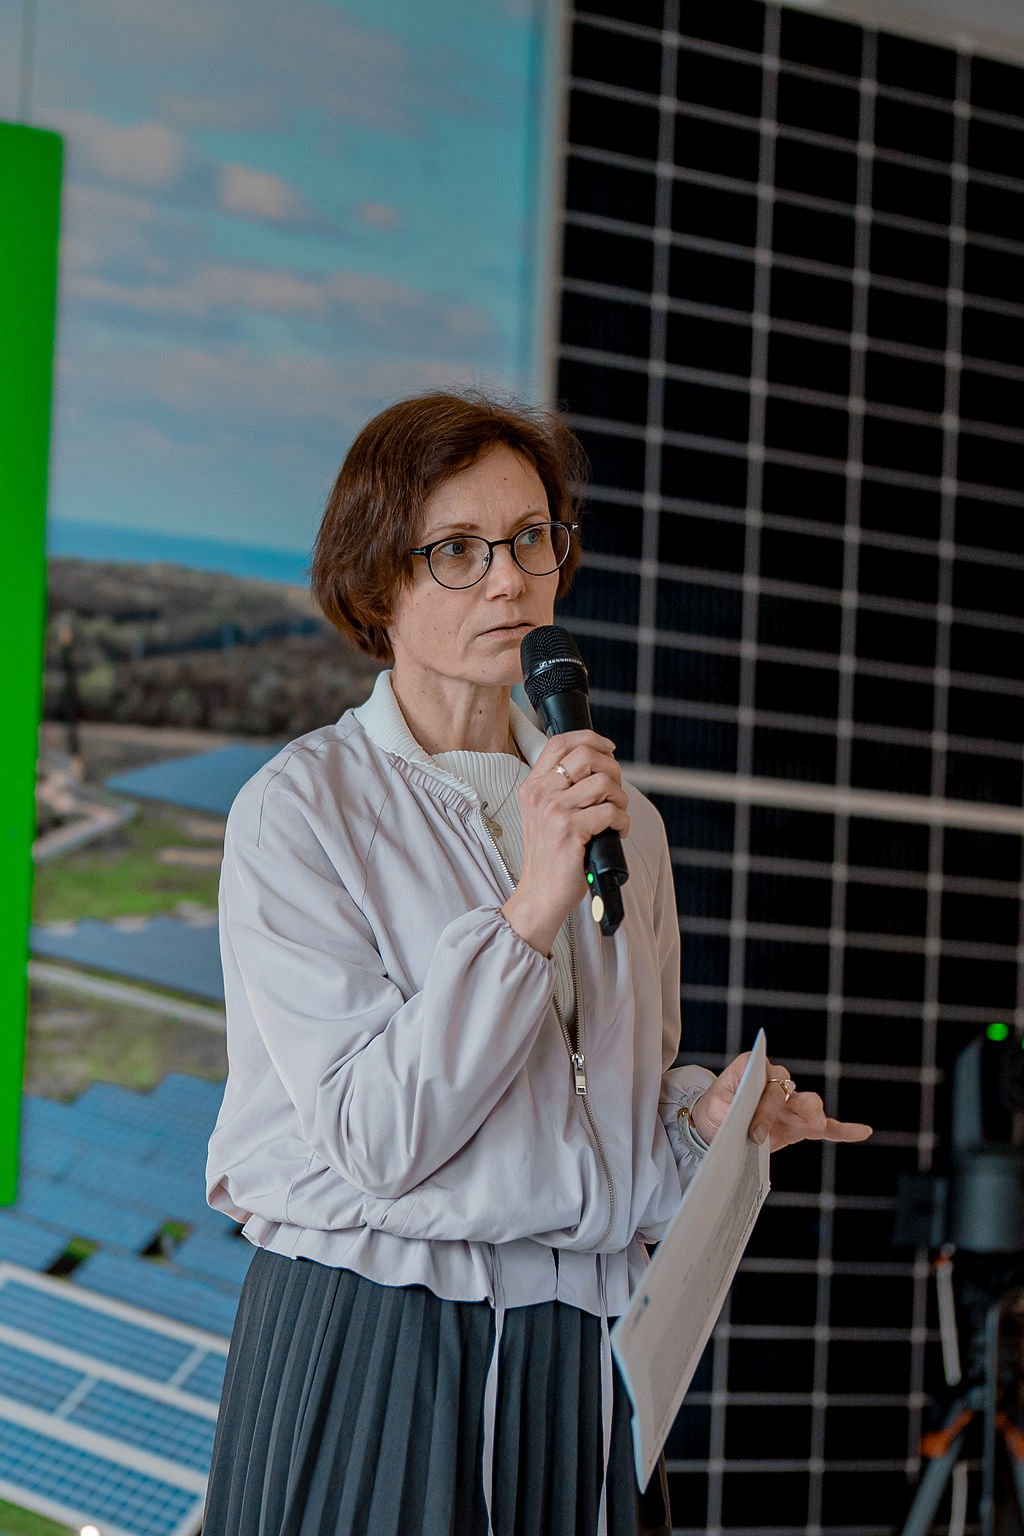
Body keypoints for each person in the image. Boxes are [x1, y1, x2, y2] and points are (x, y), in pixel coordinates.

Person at [203, 391, 871, 1536]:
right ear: (378, 579)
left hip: (584, 1353)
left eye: (530, 539)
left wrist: (698, 1128)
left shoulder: (624, 823)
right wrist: (528, 912)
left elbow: (592, 1135)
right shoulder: (301, 811)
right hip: (377, 1333)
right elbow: (376, 1137)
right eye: (458, 550)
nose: (508, 580)